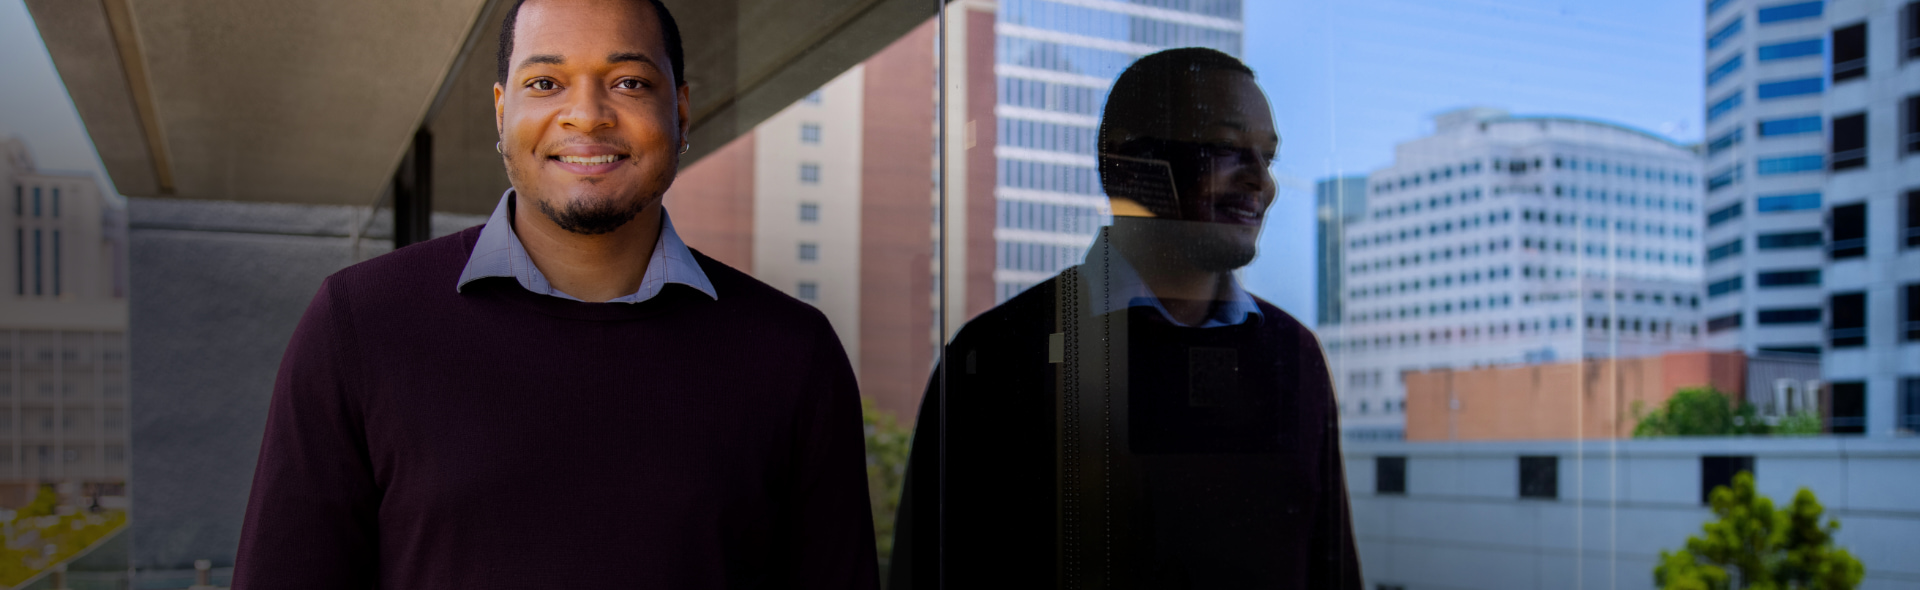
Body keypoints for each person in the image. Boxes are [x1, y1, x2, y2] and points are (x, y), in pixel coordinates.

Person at [232, 0, 879, 587]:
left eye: (628, 82)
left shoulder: (792, 355)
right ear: (501, 112)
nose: (587, 115)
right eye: (545, 83)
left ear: (680, 112)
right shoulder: (361, 324)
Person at [889, 48, 1361, 589]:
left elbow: (1334, 570)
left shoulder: (1292, 353)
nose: (1263, 183)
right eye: (1229, 149)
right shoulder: (998, 356)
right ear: (1129, 166)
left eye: (1268, 158)